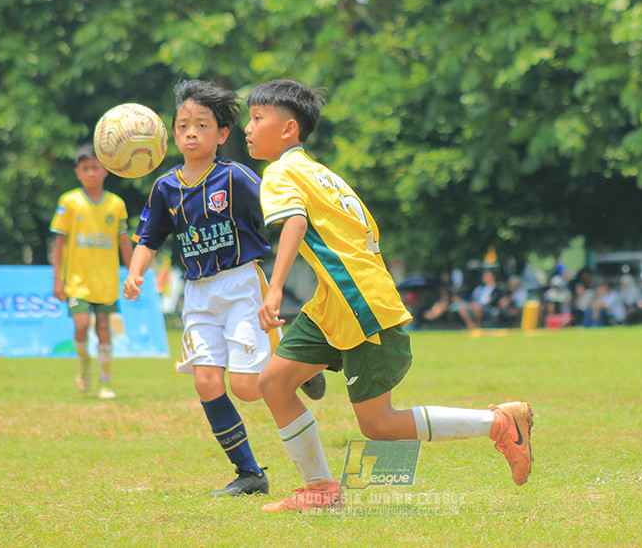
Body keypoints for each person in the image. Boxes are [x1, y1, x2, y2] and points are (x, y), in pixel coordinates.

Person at [244, 79, 533, 513]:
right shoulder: (323, 173)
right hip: (335, 302)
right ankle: (321, 489)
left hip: (360, 304)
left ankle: (499, 422)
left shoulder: (281, 171)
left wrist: (277, 286)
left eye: (256, 118)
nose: (248, 128)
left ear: (288, 129)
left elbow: (296, 223)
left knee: (378, 425)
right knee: (273, 382)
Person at [122, 79, 324, 498]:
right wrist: (135, 272)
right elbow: (150, 237)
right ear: (172, 134)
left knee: (247, 389)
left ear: (221, 135)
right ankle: (250, 473)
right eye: (182, 125)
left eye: (202, 125)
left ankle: (303, 367)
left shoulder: (236, 177)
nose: (191, 132)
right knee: (206, 382)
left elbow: (283, 216)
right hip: (198, 293)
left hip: (240, 285)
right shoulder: (166, 187)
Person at [51, 144, 134, 400]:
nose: (91, 174)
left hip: (106, 282)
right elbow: (59, 244)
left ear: (105, 170)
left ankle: (105, 383)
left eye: (95, 168)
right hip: (77, 282)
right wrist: (58, 279)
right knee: (81, 324)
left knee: (104, 329)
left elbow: (124, 241)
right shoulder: (69, 202)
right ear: (78, 172)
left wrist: (133, 273)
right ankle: (84, 360)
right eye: (85, 169)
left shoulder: (115, 205)